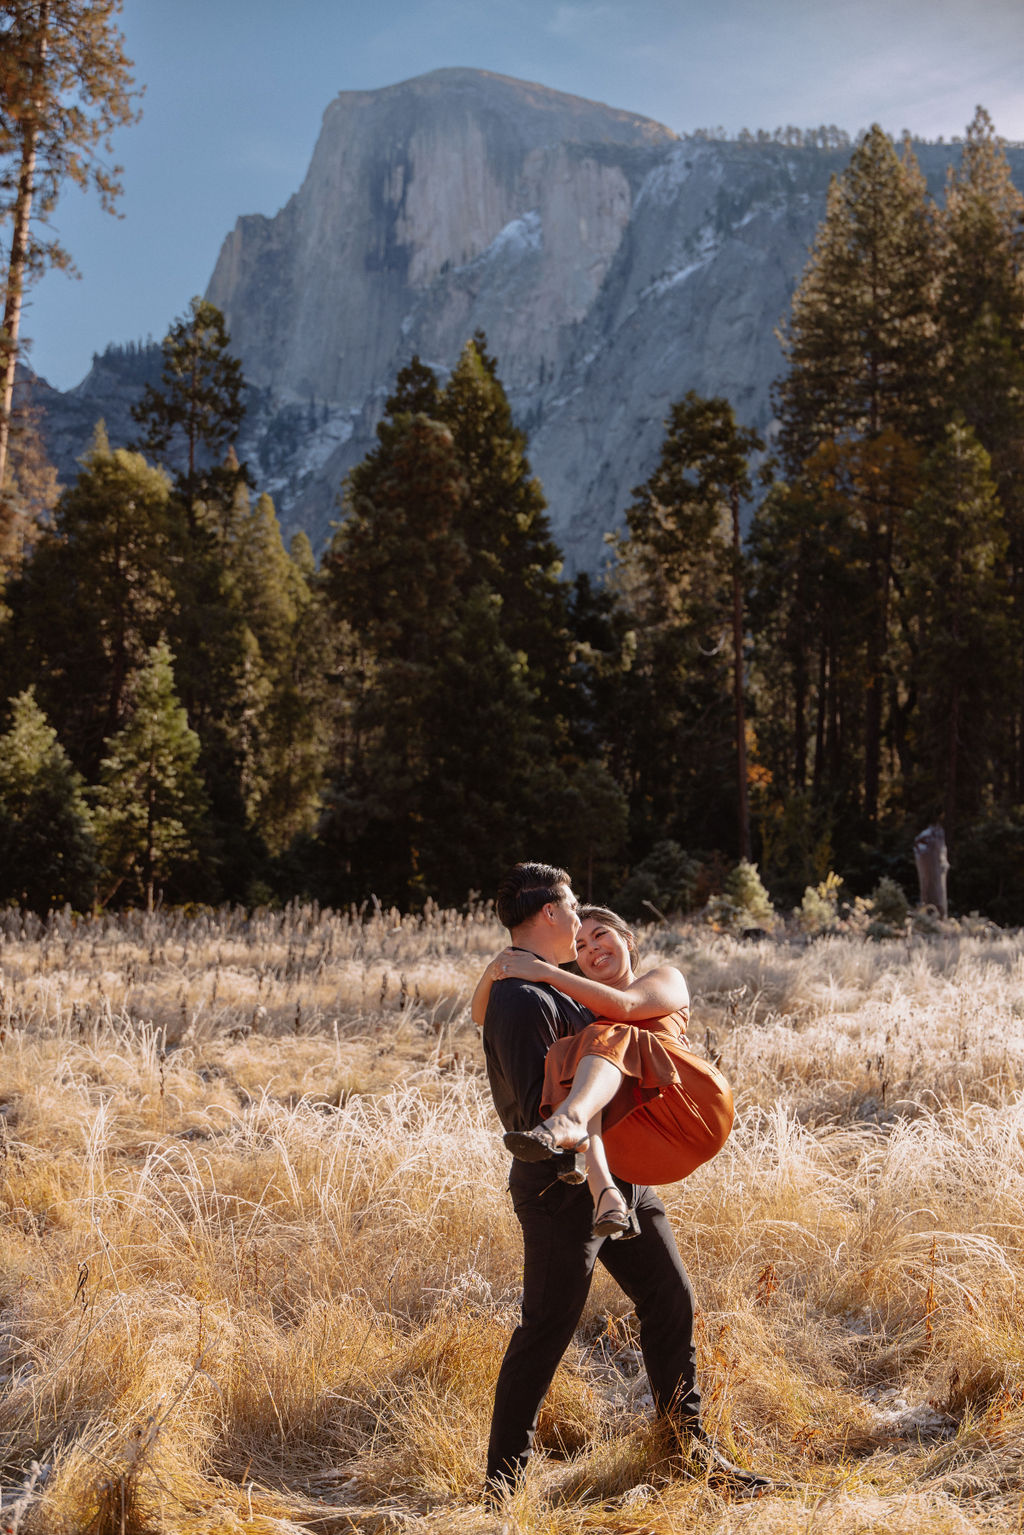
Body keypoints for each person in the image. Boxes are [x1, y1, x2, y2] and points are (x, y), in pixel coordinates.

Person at [478, 860, 769, 1502]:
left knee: (670, 1298)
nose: (582, 921)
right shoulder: (520, 998)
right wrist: (503, 971)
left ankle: (685, 1450)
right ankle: (503, 1486)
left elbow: (618, 1031)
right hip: (559, 1187)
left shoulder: (562, 990)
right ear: (551, 914)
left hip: (620, 1178)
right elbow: (531, 1111)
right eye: (575, 909)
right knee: (548, 1327)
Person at [472, 902, 733, 1240]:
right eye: (579, 946)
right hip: (642, 1143)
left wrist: (544, 971)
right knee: (570, 1059)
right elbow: (481, 1016)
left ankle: (570, 1122)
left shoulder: (665, 978)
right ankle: (605, 1194)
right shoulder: (586, 1011)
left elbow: (626, 1006)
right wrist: (497, 969)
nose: (592, 948)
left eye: (599, 935)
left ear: (627, 939)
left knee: (604, 1035)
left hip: (692, 1106)